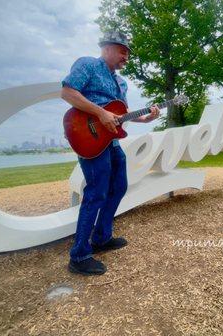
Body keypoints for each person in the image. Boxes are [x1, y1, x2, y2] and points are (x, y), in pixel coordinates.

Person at [61, 30, 160, 275]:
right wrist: (99, 113)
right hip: (89, 139)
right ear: (106, 48)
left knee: (119, 187)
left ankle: (102, 238)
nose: (126, 57)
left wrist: (145, 119)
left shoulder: (121, 83)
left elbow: (117, 114)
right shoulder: (88, 65)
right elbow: (68, 92)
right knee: (96, 194)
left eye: (128, 53)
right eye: (122, 51)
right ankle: (80, 255)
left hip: (111, 142)